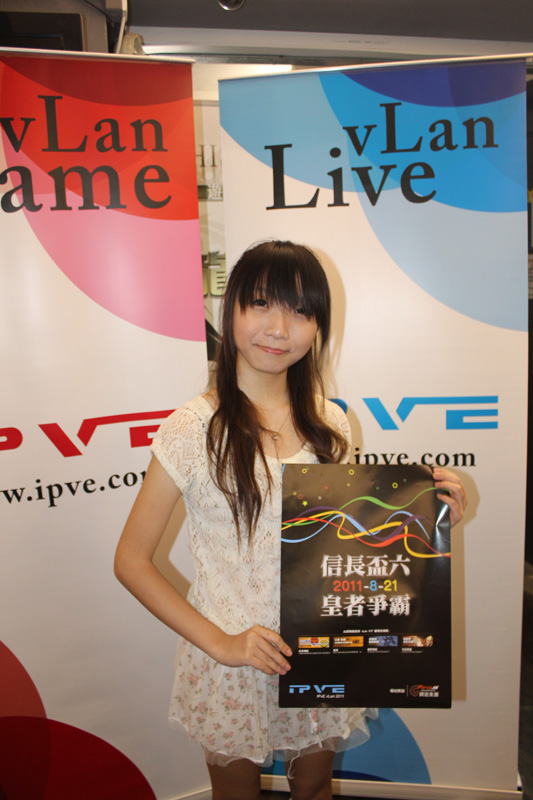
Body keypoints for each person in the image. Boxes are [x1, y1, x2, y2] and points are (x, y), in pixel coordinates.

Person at [114, 240, 467, 800]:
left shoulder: (331, 422)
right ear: (230, 309)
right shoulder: (193, 428)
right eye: (261, 303)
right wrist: (222, 643)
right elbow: (131, 560)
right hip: (232, 659)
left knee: (316, 784)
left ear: (318, 325)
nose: (279, 329)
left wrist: (427, 516)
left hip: (320, 644)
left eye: (301, 311)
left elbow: (347, 541)